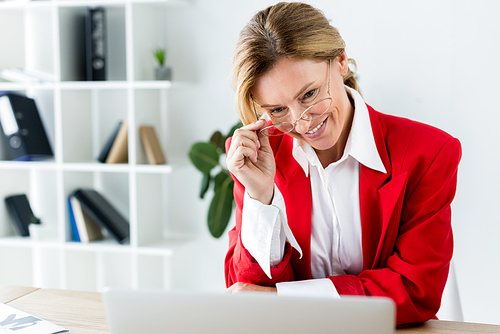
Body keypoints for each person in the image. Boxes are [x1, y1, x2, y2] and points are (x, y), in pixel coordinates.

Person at [224, 2, 461, 327]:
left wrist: (284, 300)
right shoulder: (258, 158)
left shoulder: (428, 154)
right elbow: (248, 296)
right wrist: (260, 198)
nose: (301, 122)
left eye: (309, 95)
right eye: (277, 110)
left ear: (340, 62)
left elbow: (414, 291)